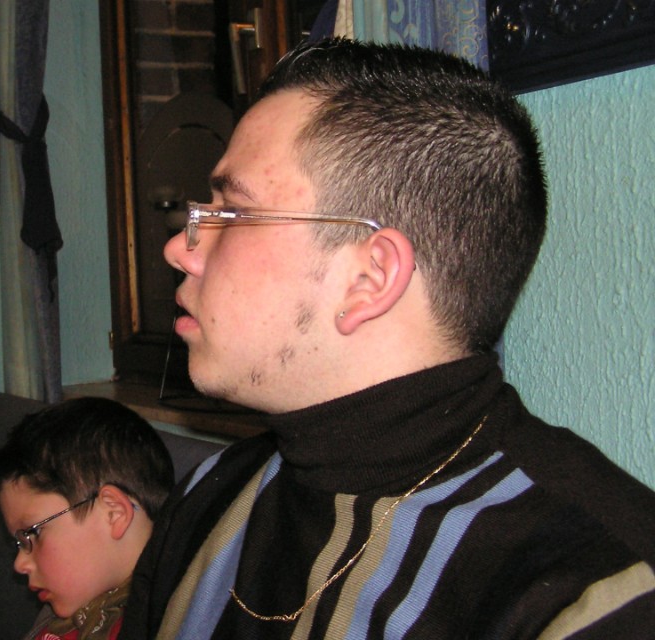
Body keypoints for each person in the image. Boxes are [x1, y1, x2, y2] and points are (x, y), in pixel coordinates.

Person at [118, 38, 655, 639]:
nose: (179, 247)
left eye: (232, 213)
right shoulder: (209, 501)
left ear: (370, 278)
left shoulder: (597, 593)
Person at [0, 397, 175, 640]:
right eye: (19, 543)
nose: (20, 564)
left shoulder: (166, 624)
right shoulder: (73, 603)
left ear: (114, 513)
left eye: (33, 533)